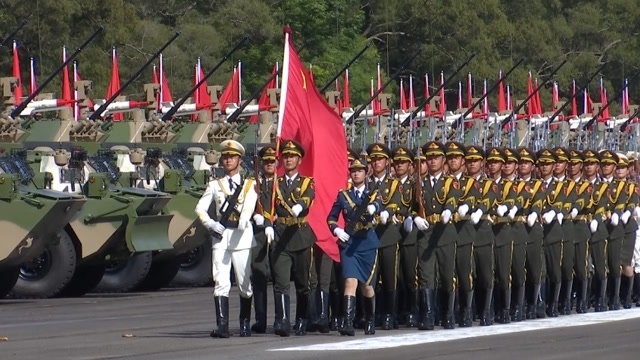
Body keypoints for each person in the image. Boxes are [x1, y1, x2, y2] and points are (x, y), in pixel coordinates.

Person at [194, 140, 258, 338]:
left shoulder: (250, 184)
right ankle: (222, 326)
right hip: (221, 239)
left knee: (244, 284)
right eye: (225, 157)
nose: (228, 160)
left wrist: (245, 218)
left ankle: (245, 324)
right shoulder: (215, 185)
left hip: (242, 239)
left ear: (240, 159)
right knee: (221, 282)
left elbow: (249, 206)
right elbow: (200, 209)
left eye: (232, 157)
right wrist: (212, 224)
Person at [264, 139, 317, 337]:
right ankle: (283, 320)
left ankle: (301, 320)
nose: (288, 159)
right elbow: (266, 208)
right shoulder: (274, 183)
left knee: (303, 283)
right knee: (281, 282)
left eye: (292, 156)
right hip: (280, 236)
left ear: (299, 160)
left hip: (300, 235)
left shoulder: (306, 182)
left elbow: (308, 197)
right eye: (285, 156)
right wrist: (268, 225)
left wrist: (300, 207)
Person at [327, 158, 382, 336]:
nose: (356, 173)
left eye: (360, 170)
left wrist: (373, 208)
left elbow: (379, 205)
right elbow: (331, 217)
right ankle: (348, 322)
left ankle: (370, 319)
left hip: (367, 243)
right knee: (350, 281)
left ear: (366, 174)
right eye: (353, 171)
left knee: (366, 285)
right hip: (349, 244)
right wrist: (336, 230)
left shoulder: (373, 193)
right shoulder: (343, 195)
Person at [413, 141, 460, 330]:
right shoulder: (418, 183)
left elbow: (453, 198)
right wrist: (413, 217)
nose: (432, 161)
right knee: (426, 275)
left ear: (443, 160)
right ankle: (429, 315)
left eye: (436, 158)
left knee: (448, 275)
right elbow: (410, 206)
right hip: (425, 232)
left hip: (444, 231)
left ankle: (448, 314)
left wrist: (448, 210)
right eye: (429, 158)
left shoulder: (450, 182)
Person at [366, 143, 402, 330]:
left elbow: (396, 202)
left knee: (389, 277)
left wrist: (387, 211)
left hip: (387, 235)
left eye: (380, 159)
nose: (377, 162)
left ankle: (389, 314)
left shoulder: (394, 184)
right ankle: (371, 315)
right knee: (370, 278)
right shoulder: (366, 182)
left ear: (387, 162)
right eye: (374, 159)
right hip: (369, 235)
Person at [250, 144, 277, 333]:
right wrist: (256, 216)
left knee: (279, 277)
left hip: (278, 232)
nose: (269, 164)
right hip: (259, 233)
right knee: (259, 276)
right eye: (266, 161)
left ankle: (280, 319)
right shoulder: (254, 184)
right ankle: (260, 319)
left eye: (272, 161)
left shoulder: (281, 183)